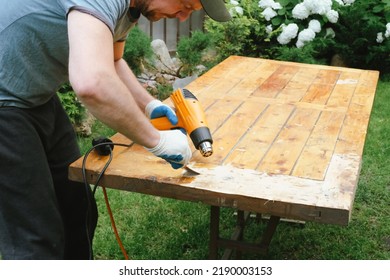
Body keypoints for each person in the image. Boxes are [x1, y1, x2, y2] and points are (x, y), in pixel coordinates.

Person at [0, 0, 231, 260]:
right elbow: (92, 83)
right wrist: (157, 141)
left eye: (190, 13)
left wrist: (149, 105)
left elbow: (112, 59)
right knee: (35, 236)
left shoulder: (130, 8)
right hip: (5, 103)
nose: (181, 17)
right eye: (184, 5)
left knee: (78, 209)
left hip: (35, 97)